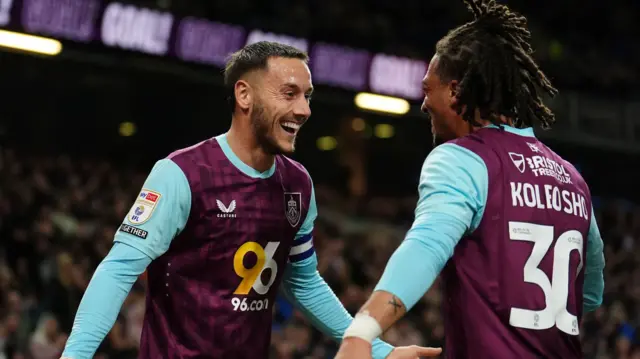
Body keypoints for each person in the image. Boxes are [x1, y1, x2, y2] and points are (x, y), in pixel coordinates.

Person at [59, 41, 433, 359]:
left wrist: (377, 349)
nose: (304, 110)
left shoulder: (298, 184)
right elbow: (118, 270)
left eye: (307, 96)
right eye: (289, 94)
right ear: (244, 95)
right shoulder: (183, 174)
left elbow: (302, 282)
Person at [334, 1, 605, 358]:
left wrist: (362, 333)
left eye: (428, 89)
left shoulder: (463, 158)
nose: (423, 104)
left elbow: (426, 247)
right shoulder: (573, 179)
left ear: (456, 90)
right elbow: (590, 293)